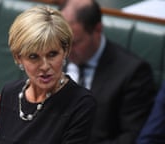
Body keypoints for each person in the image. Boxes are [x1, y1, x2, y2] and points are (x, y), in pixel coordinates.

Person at [60, 0, 156, 143]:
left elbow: (131, 135)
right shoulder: (51, 59)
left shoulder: (133, 72)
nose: (65, 52)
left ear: (97, 30)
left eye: (74, 43)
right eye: (61, 42)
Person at [0, 6, 96, 143]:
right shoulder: (9, 93)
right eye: (33, 57)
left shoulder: (80, 103)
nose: (44, 66)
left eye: (52, 54)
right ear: (18, 58)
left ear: (66, 51)